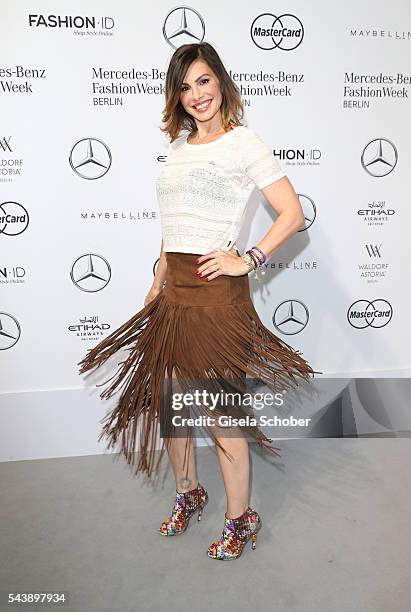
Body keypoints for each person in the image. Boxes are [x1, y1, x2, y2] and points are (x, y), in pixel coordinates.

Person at [78, 42, 321, 561]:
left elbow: (292, 213)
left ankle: (241, 518)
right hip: (175, 294)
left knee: (219, 413)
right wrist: (157, 277)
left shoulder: (243, 143)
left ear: (221, 83)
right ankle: (189, 492)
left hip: (216, 296)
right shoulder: (180, 147)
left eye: (204, 81)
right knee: (173, 407)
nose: (196, 95)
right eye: (185, 86)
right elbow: (175, 227)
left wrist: (249, 258)